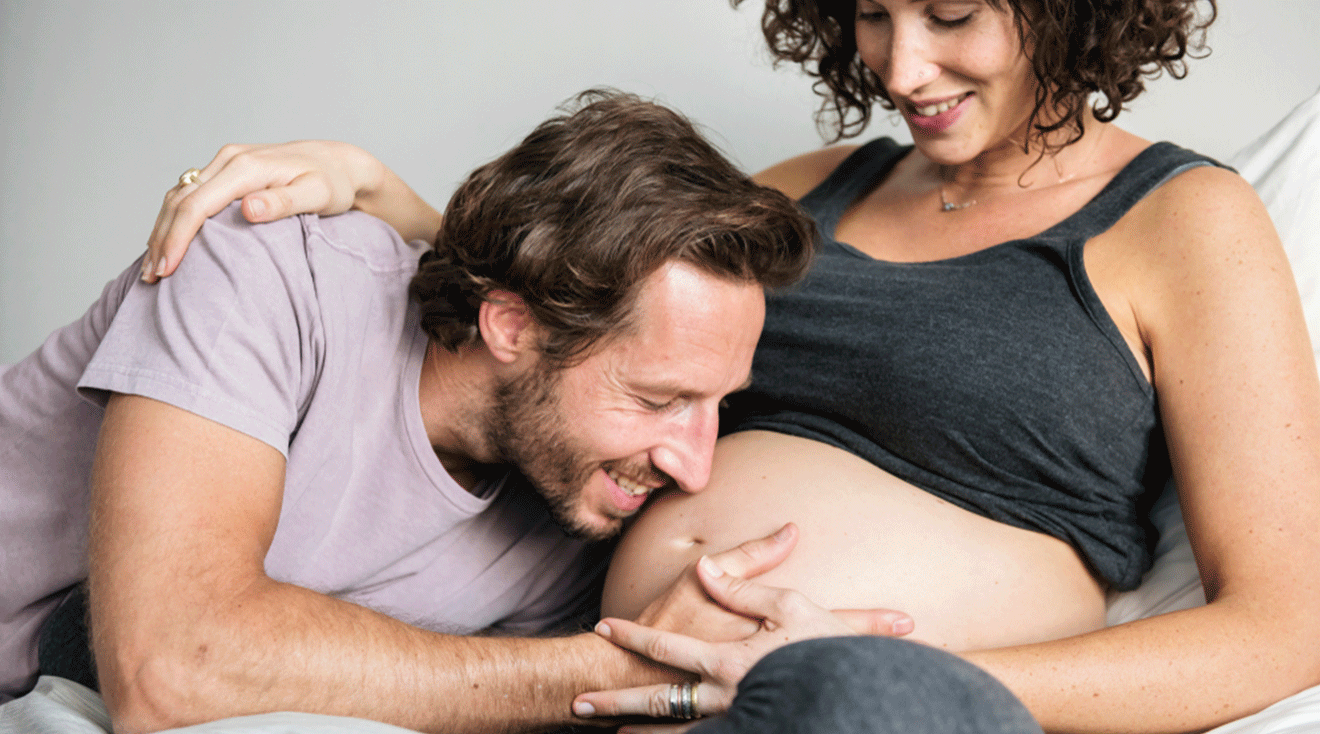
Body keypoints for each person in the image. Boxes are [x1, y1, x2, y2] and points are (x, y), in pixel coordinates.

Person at [132, 1, 1320, 732]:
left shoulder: (1187, 220)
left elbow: (1287, 623)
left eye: (951, 13)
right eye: (873, 14)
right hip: (612, 697)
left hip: (883, 701)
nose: (902, 68)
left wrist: (895, 661)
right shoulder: (811, 187)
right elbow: (574, 319)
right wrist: (373, 187)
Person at [1, 91, 920, 733]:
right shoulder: (264, 266)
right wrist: (615, 673)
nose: (694, 464)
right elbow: (172, 670)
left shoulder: (571, 513)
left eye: (717, 404)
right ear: (511, 324)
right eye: (657, 399)